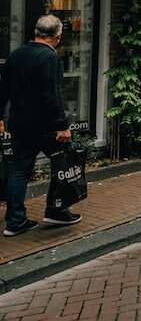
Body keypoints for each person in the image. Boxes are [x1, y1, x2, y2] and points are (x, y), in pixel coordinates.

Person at [0, 15, 82, 237]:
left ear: (35, 31)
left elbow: (4, 90)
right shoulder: (49, 58)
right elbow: (51, 96)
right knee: (63, 162)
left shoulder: (15, 55)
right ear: (58, 36)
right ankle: (56, 209)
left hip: (19, 125)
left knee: (18, 172)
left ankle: (15, 221)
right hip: (45, 127)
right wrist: (62, 126)